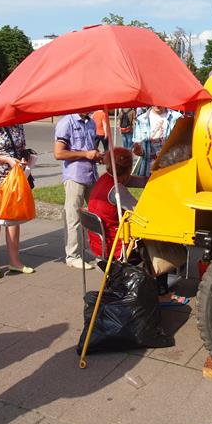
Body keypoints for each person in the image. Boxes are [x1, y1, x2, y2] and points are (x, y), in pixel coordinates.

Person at [88, 147, 188, 306]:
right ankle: (162, 294)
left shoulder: (105, 179)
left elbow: (135, 181)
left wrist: (155, 178)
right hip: (117, 246)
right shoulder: (117, 190)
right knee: (160, 244)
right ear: (128, 169)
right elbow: (140, 212)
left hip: (99, 243)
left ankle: (156, 288)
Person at [0, 124, 34, 279]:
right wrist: (6, 159)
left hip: (15, 175)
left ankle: (14, 261)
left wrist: (24, 159)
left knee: (14, 217)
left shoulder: (18, 124)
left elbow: (21, 147)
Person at [53, 112, 103, 269]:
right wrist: (86, 154)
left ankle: (98, 251)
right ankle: (73, 255)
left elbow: (91, 148)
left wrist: (97, 155)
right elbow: (59, 153)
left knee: (98, 215)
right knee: (73, 216)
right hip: (75, 176)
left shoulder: (91, 122)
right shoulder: (66, 122)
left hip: (91, 174)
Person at [132, 106, 182, 176]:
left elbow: (183, 143)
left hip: (171, 168)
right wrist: (139, 151)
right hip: (148, 170)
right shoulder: (141, 120)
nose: (157, 105)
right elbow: (138, 145)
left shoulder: (176, 117)